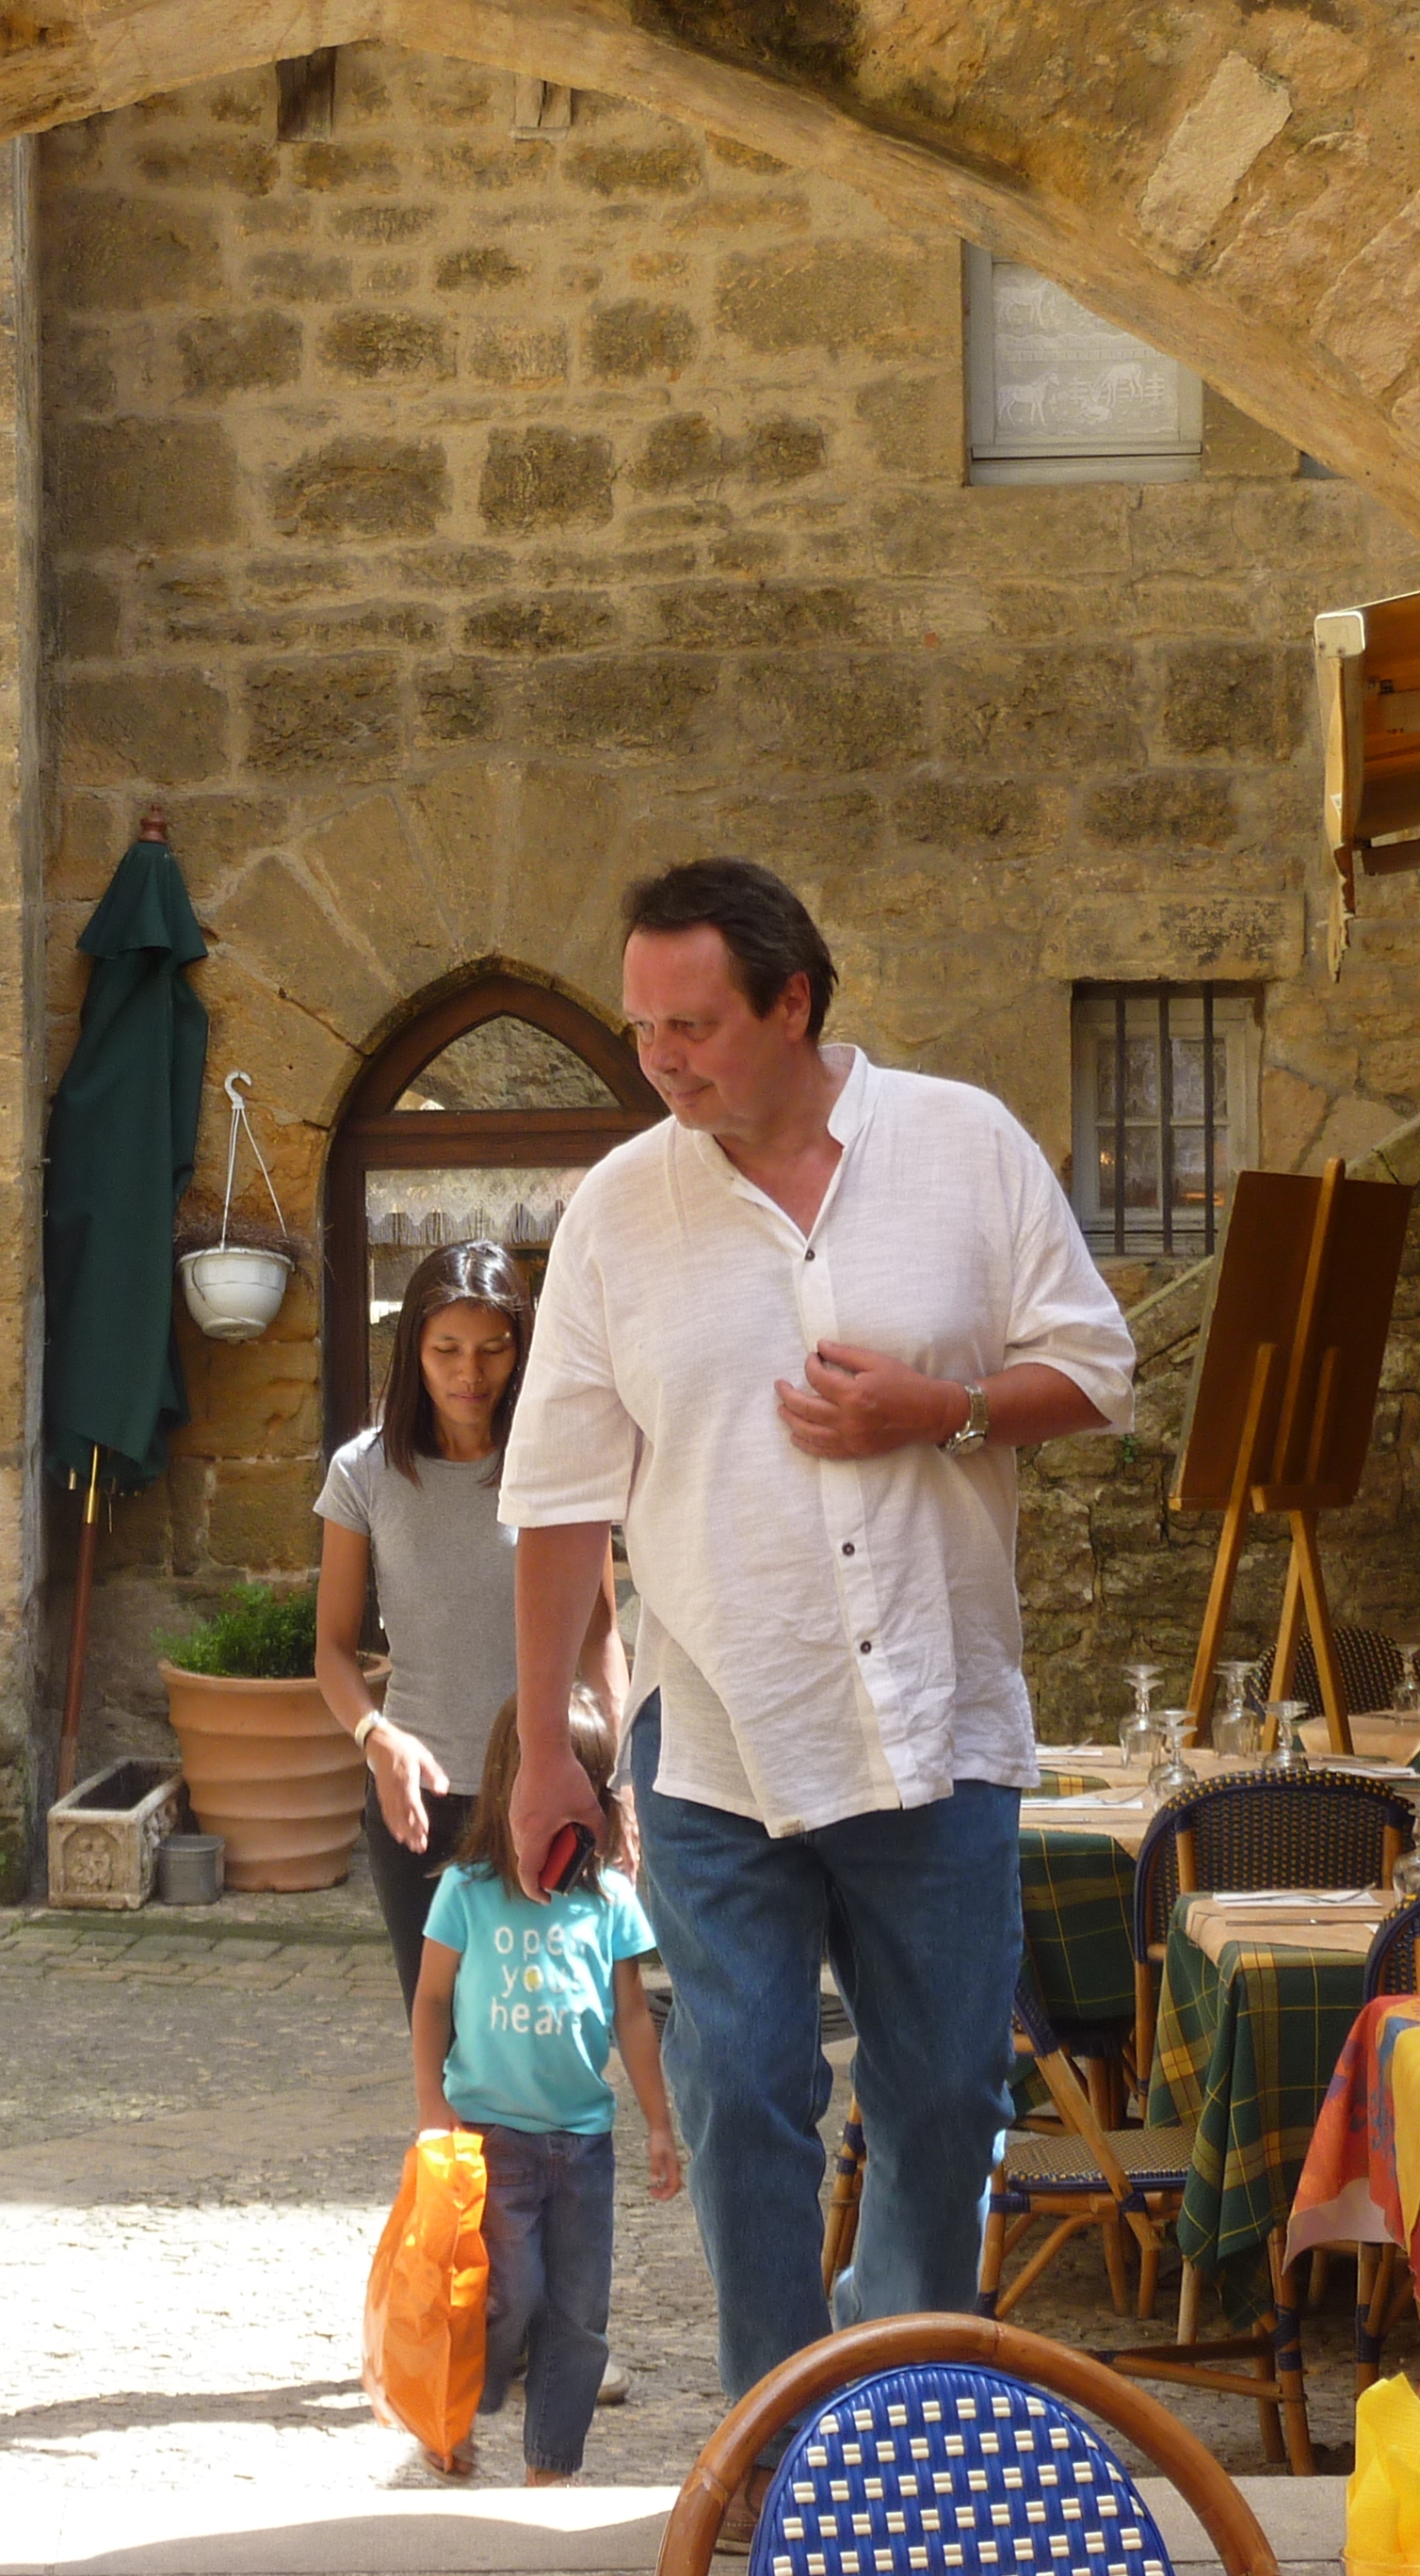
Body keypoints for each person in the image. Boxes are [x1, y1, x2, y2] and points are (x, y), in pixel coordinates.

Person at [495, 857, 1134, 2459]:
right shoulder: (617, 1210)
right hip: (712, 1727)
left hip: (934, 1719)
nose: (661, 1061)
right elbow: (559, 1491)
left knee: (939, 2103)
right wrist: (545, 1747)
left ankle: (902, 2408)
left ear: (793, 1000)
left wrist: (943, 1411)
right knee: (737, 2096)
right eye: (642, 1030)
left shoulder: (962, 1144)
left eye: (692, 1025)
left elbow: (1095, 1367)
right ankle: (780, 2440)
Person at [315, 1240, 625, 2015]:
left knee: (550, 2033)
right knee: (446, 2041)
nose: (469, 1373)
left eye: (493, 1349)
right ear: (411, 1349)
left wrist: (618, 1781)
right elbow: (332, 1650)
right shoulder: (364, 1472)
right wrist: (375, 1738)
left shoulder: (557, 1464)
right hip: (423, 1801)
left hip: (551, 1790)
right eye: (446, 1349)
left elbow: (598, 1637)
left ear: (522, 1350)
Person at [410, 1690, 680, 2487]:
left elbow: (633, 2015)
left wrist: (658, 2124)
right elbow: (430, 2000)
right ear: (511, 1785)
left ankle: (551, 2467)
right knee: (509, 2297)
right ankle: (457, 2409)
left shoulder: (607, 1901)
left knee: (579, 2318)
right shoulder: (469, 1891)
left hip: (583, 2143)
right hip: (493, 2138)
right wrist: (433, 2110)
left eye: (592, 1790)